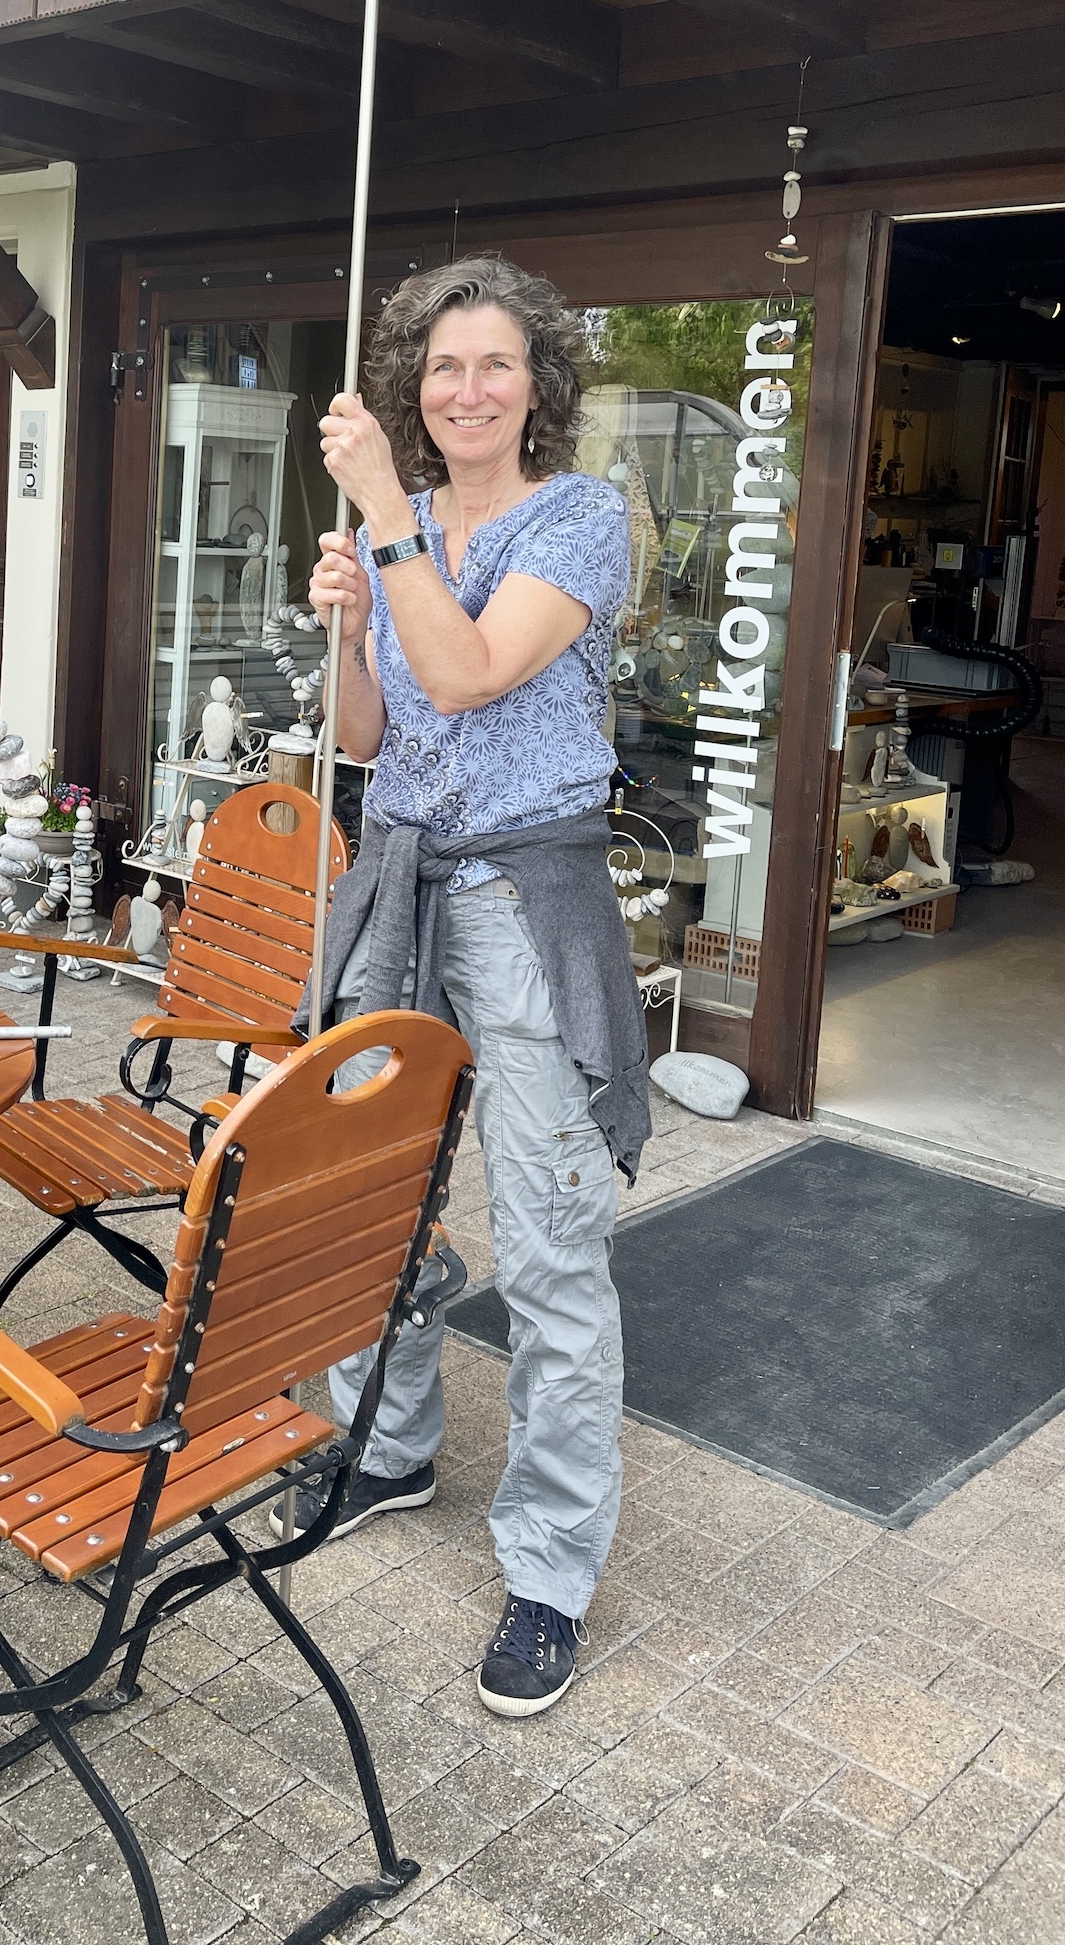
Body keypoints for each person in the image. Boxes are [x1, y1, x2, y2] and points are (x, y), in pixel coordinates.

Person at [297, 253, 648, 1720]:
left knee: (553, 1240)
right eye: (444, 366)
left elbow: (472, 675)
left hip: (522, 898)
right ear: (413, 384)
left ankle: (551, 1570)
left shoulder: (580, 519)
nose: (469, 388)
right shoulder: (402, 528)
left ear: (539, 382)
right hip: (398, 881)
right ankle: (386, 1448)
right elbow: (372, 729)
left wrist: (385, 519)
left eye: (496, 362)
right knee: (373, 1196)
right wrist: (347, 621)